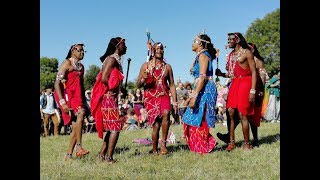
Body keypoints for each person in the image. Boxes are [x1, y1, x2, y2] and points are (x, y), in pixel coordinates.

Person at [216, 42, 268, 147]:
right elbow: (234, 74)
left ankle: (255, 139)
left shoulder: (258, 61)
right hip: (242, 88)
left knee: (252, 116)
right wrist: (221, 74)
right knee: (235, 114)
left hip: (255, 90)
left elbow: (262, 77)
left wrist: (259, 92)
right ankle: (229, 138)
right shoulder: (243, 59)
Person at [136, 42, 178, 155]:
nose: (159, 50)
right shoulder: (146, 66)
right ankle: (154, 149)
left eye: (161, 48)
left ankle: (163, 145)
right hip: (151, 98)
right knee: (156, 125)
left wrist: (175, 102)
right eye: (157, 48)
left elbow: (172, 84)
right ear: (152, 51)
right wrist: (143, 79)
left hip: (164, 95)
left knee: (166, 113)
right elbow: (138, 85)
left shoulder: (167, 67)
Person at [90, 37, 127, 164]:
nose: (125, 47)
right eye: (124, 44)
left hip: (110, 98)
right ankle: (109, 158)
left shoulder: (114, 59)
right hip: (108, 98)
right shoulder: (112, 59)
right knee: (115, 128)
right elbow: (104, 78)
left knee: (112, 128)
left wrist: (120, 90)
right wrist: (115, 88)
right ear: (118, 46)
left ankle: (101, 156)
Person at [181, 33, 218, 154]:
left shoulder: (203, 56)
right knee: (192, 116)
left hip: (206, 89)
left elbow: (202, 77)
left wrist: (194, 96)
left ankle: (204, 146)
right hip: (202, 87)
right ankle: (202, 145)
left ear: (200, 43)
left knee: (200, 116)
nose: (192, 44)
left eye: (194, 41)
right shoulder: (201, 56)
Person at [54, 43, 89, 160]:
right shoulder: (67, 63)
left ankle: (69, 155)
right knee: (80, 116)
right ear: (73, 51)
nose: (82, 52)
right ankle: (78, 147)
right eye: (79, 50)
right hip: (66, 96)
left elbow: (81, 85)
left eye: (83, 51)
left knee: (76, 126)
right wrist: (62, 102)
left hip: (77, 97)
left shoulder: (81, 67)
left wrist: (85, 102)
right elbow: (57, 83)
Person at [223, 32, 257, 151]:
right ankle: (231, 143)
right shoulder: (231, 55)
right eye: (228, 40)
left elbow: (254, 72)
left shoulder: (247, 52)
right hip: (234, 83)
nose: (228, 41)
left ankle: (247, 143)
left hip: (245, 83)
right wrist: (221, 74)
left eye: (231, 39)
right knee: (230, 112)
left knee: (242, 113)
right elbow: (231, 73)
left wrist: (253, 90)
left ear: (237, 40)